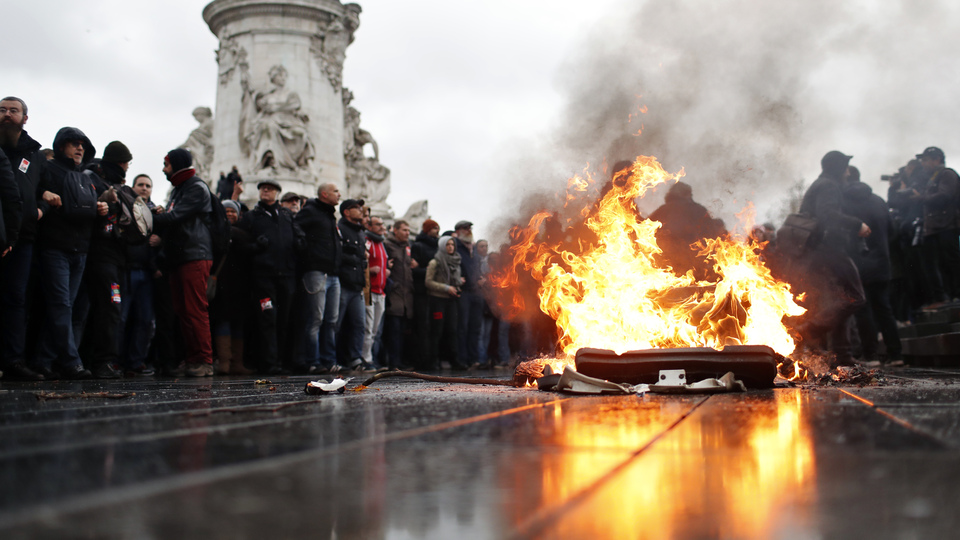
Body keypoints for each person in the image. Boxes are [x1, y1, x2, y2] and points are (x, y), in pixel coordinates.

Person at [32, 127, 103, 379]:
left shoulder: (87, 177)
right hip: (55, 248)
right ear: (61, 146)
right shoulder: (48, 170)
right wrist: (43, 193)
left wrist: (104, 204)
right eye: (74, 143)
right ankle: (72, 361)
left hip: (80, 250)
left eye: (82, 144)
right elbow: (30, 189)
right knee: (61, 305)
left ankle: (43, 359)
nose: (80, 148)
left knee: (65, 307)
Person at [794, 151, 868, 366]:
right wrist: (857, 224)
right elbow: (828, 216)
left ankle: (842, 355)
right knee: (854, 297)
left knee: (841, 298)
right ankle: (807, 330)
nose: (847, 173)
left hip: (820, 250)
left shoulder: (822, 184)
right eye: (845, 167)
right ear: (838, 167)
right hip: (828, 249)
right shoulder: (828, 185)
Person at [151, 148, 215, 377]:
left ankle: (204, 360)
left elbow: (176, 217)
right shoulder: (179, 190)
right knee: (183, 310)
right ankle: (192, 359)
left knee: (194, 309)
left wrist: (149, 219)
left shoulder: (195, 187)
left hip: (195, 254)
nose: (163, 169)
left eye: (166, 165)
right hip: (181, 256)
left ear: (177, 165)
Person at [80, 140, 135, 379]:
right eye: (124, 163)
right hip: (103, 257)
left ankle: (97, 360)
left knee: (105, 309)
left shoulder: (112, 184)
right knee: (110, 308)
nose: (126, 168)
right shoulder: (92, 180)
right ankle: (102, 361)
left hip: (113, 258)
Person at [237, 179, 303, 374]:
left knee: (283, 320)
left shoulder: (286, 216)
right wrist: (256, 247)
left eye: (270, 188)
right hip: (264, 277)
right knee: (268, 318)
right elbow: (240, 245)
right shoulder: (251, 217)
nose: (266, 191)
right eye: (263, 188)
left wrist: (300, 243)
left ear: (277, 193)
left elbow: (298, 239)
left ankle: (282, 362)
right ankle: (269, 363)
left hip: (286, 276)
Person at [0, 96, 42, 380]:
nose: (7, 115)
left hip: (23, 238)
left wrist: (44, 206)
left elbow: (48, 191)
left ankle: (14, 359)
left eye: (13, 110)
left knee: (16, 299)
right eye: (2, 110)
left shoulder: (35, 157)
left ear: (24, 118)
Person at [842, 166, 901, 362]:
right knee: (884, 308)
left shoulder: (844, 204)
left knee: (863, 310)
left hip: (857, 265)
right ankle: (896, 354)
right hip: (882, 263)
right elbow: (892, 230)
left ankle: (871, 354)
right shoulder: (878, 200)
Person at [296, 183, 343, 374]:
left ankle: (329, 360)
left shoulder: (329, 214)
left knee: (331, 320)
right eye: (335, 191)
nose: (339, 194)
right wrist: (308, 251)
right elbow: (296, 227)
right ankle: (313, 361)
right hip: (317, 271)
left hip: (333, 273)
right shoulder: (311, 211)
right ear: (324, 194)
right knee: (316, 318)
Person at [209, 199, 254, 375]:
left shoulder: (239, 233)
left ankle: (236, 362)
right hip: (221, 283)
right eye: (226, 211)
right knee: (223, 321)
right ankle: (225, 362)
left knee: (237, 323)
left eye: (233, 211)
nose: (230, 214)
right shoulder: (220, 232)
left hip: (239, 284)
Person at [119, 173, 158, 376]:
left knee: (145, 320)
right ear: (133, 187)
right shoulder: (124, 207)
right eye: (140, 184)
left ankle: (136, 361)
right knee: (121, 318)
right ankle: (116, 361)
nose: (144, 188)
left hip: (147, 273)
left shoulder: (156, 214)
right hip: (127, 270)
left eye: (148, 185)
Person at [913, 147, 960, 308]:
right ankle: (949, 297)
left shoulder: (947, 174)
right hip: (936, 228)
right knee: (940, 264)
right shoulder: (933, 177)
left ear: (937, 159)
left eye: (926, 160)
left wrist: (922, 198)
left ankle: (957, 295)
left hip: (947, 226)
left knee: (952, 263)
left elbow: (945, 195)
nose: (923, 164)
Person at [337, 198, 370, 371]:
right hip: (344, 283)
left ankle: (355, 358)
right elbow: (339, 254)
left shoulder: (359, 232)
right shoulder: (340, 229)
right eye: (356, 208)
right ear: (346, 212)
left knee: (359, 324)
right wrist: (357, 260)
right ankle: (335, 358)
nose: (360, 210)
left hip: (357, 285)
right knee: (337, 323)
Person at [426, 236, 464, 370]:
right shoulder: (435, 262)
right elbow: (428, 282)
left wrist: (458, 284)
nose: (450, 247)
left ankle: (454, 360)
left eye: (452, 244)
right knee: (437, 331)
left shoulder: (456, 261)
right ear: (442, 246)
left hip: (451, 300)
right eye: (447, 245)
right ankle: (433, 361)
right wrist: (446, 288)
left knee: (452, 330)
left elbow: (454, 279)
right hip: (438, 300)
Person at [383, 219, 415, 370]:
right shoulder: (387, 245)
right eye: (404, 230)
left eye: (408, 230)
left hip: (406, 296)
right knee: (393, 331)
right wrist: (393, 285)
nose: (407, 233)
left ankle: (400, 362)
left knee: (403, 332)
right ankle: (392, 363)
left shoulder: (407, 247)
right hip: (394, 295)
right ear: (395, 230)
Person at [410, 219, 440, 370]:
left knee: (436, 326)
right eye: (434, 228)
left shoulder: (438, 247)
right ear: (427, 229)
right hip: (422, 293)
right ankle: (422, 361)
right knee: (423, 327)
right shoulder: (418, 246)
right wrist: (429, 272)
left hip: (435, 295)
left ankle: (433, 359)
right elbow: (414, 270)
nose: (436, 231)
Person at [454, 220, 482, 368]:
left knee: (475, 327)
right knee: (462, 327)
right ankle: (462, 360)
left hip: (476, 292)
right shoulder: (456, 247)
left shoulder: (474, 249)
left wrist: (481, 279)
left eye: (470, 228)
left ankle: (474, 359)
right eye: (465, 228)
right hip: (463, 292)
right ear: (458, 231)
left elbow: (477, 268)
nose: (469, 230)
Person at [362, 215, 389, 368]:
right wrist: (370, 269)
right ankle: (365, 359)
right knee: (368, 327)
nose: (381, 226)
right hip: (370, 290)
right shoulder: (368, 242)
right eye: (377, 224)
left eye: (382, 224)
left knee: (376, 329)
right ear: (370, 226)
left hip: (381, 291)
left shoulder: (381, 243)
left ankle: (371, 357)